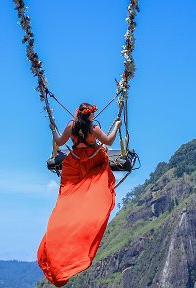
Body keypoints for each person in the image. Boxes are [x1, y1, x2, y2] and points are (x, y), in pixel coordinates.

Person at [37, 103, 122, 287]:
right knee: (95, 201)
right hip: (92, 165)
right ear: (90, 115)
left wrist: (53, 130)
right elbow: (109, 141)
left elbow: (59, 142)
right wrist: (116, 125)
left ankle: (59, 237)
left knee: (68, 204)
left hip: (74, 165)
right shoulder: (94, 129)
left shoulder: (71, 127)